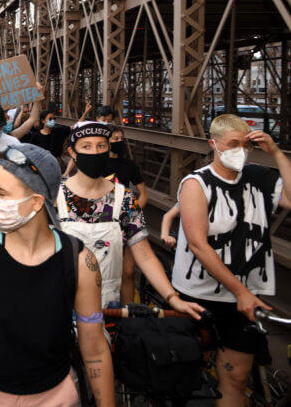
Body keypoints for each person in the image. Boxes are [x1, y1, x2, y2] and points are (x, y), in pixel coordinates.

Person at [0, 143, 115, 407]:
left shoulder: (79, 261)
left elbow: (95, 347)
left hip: (54, 398)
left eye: (2, 193)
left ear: (35, 202)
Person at [172, 115, 291, 407]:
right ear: (214, 145)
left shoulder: (259, 178)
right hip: (199, 294)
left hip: (245, 297)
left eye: (246, 145)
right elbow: (199, 244)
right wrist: (241, 292)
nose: (241, 150)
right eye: (233, 144)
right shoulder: (195, 184)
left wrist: (276, 153)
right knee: (185, 370)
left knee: (236, 378)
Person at [59, 121, 203, 317]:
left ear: (108, 148)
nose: (94, 152)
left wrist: (172, 297)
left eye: (101, 146)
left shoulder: (124, 198)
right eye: (86, 146)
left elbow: (144, 254)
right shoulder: (55, 196)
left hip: (107, 307)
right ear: (72, 152)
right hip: (61, 304)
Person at [104, 126, 148, 304]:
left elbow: (144, 193)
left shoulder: (129, 165)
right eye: (114, 139)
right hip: (104, 222)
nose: (118, 142)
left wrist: (132, 212)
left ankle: (128, 313)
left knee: (129, 272)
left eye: (121, 138)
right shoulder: (98, 164)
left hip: (126, 222)